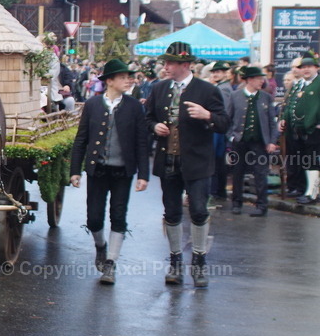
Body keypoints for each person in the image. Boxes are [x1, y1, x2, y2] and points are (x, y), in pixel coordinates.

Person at [144, 41, 229, 288]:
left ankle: (199, 261)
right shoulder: (159, 89)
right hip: (168, 160)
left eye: (170, 62)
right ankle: (175, 261)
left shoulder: (207, 90)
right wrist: (154, 127)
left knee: (199, 210)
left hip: (197, 163)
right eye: (165, 62)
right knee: (171, 212)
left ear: (185, 65)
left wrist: (208, 116)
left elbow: (224, 123)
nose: (166, 66)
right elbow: (148, 118)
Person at [69, 59, 150, 284]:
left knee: (118, 215)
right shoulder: (93, 105)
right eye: (124, 77)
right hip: (98, 170)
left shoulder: (134, 106)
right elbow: (81, 139)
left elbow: (142, 143)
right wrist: (75, 170)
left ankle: (111, 263)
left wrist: (143, 174)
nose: (129, 80)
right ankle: (100, 246)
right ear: (110, 81)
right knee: (94, 218)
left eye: (129, 77)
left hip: (123, 171)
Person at [227, 65, 279, 216]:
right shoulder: (235, 96)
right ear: (249, 80)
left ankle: (262, 205)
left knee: (260, 173)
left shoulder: (266, 97)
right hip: (240, 140)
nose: (262, 81)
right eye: (259, 79)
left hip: (259, 142)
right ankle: (237, 203)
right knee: (238, 172)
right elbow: (227, 119)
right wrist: (231, 136)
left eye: (263, 79)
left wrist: (271, 141)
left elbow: (271, 122)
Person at [280, 52, 320, 204]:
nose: (306, 70)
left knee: (312, 161)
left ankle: (313, 193)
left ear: (316, 68)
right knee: (302, 161)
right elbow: (290, 105)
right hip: (297, 130)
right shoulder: (298, 85)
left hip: (314, 130)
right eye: (303, 67)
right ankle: (305, 189)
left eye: (309, 66)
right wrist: (284, 119)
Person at [208, 61, 233, 204]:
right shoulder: (221, 87)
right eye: (214, 72)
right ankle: (219, 191)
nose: (215, 74)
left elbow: (222, 111)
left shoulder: (223, 89)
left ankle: (216, 191)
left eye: (219, 72)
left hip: (218, 128)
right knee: (218, 161)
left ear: (225, 73)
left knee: (215, 160)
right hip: (220, 127)